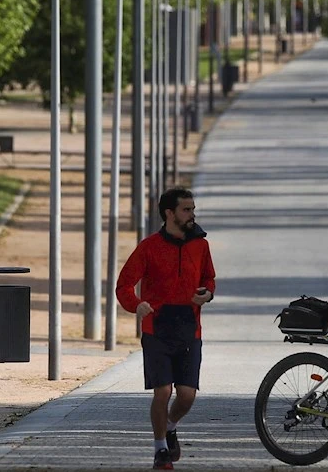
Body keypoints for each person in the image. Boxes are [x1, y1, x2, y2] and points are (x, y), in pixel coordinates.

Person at [116, 188, 216, 470]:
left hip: (189, 329)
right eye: (186, 209)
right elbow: (123, 285)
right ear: (169, 213)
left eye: (193, 209)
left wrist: (207, 293)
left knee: (186, 395)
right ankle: (160, 449)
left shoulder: (201, 245)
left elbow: (209, 277)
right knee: (162, 392)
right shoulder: (148, 247)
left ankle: (171, 425)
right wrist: (136, 305)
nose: (192, 214)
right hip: (157, 328)